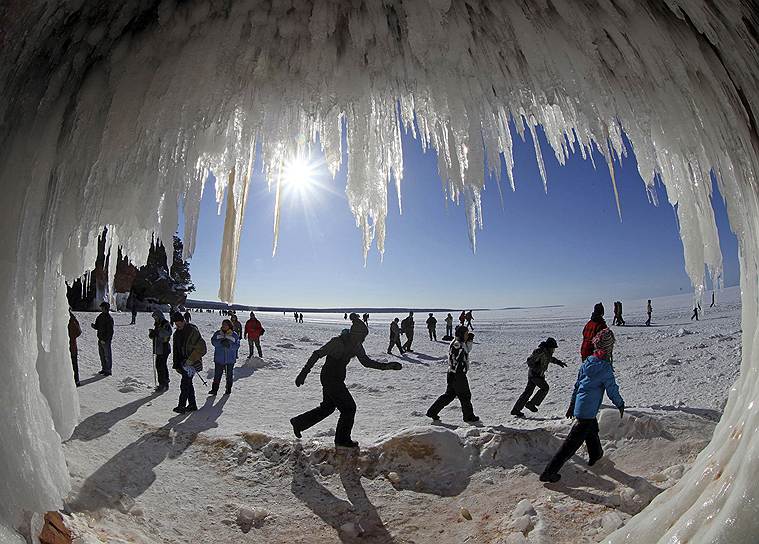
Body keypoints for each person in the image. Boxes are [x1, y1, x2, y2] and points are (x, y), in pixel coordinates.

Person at [290, 315, 402, 448]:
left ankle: (298, 423)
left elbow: (366, 362)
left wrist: (387, 366)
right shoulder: (337, 342)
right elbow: (317, 354)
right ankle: (342, 440)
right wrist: (304, 372)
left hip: (337, 378)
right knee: (349, 408)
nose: (363, 340)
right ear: (355, 334)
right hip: (329, 377)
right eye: (362, 337)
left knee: (328, 407)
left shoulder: (357, 345)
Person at [540, 328, 624, 482]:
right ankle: (549, 472)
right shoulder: (605, 368)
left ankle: (596, 454)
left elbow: (577, 385)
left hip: (582, 407)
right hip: (587, 411)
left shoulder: (588, 362)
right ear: (608, 348)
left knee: (592, 430)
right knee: (570, 446)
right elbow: (612, 390)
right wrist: (620, 404)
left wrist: (572, 403)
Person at [426, 325, 479, 423]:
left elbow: (466, 350)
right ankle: (469, 416)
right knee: (465, 395)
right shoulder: (457, 344)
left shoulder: (459, 342)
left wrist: (469, 340)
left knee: (449, 395)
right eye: (466, 334)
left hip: (453, 373)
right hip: (457, 374)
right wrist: (459, 373)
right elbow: (457, 358)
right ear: (461, 334)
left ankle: (432, 411)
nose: (467, 335)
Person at [510, 337, 567, 418]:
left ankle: (516, 410)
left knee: (528, 392)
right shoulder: (540, 351)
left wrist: (559, 362)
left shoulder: (546, 353)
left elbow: (550, 359)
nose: (553, 350)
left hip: (536, 375)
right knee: (545, 388)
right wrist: (535, 366)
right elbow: (530, 360)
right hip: (535, 375)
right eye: (553, 348)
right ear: (549, 347)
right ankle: (531, 404)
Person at [171, 312, 206, 413]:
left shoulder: (192, 331)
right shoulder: (176, 334)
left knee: (184, 384)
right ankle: (192, 405)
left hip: (193, 363)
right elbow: (176, 350)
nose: (177, 326)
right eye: (176, 324)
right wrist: (176, 364)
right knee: (188, 384)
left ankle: (181, 406)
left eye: (179, 324)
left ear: (183, 321)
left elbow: (202, 348)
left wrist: (191, 359)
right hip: (183, 363)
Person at [209, 319, 240, 395]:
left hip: (230, 360)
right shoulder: (218, 333)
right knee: (217, 375)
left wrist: (229, 345)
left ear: (229, 326)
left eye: (225, 325)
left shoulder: (234, 335)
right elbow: (213, 342)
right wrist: (220, 342)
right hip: (219, 359)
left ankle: (228, 389)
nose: (224, 326)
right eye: (223, 324)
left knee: (229, 375)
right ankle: (214, 390)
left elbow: (237, 346)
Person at [148, 310, 172, 392]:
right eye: (154, 317)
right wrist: (152, 334)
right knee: (161, 365)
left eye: (156, 317)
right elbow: (156, 335)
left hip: (164, 347)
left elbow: (168, 333)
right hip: (159, 348)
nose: (155, 319)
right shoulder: (158, 324)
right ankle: (164, 382)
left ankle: (163, 383)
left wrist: (157, 333)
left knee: (160, 366)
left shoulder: (165, 323)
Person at [91, 301, 114, 376]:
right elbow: (97, 326)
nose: (101, 309)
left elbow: (110, 331)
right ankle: (104, 369)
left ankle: (108, 370)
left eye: (102, 307)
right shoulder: (100, 316)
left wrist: (105, 340)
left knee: (107, 356)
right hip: (100, 339)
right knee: (102, 355)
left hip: (106, 340)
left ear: (106, 308)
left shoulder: (109, 318)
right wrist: (94, 326)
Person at [68, 310, 82, 386]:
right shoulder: (73, 319)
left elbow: (78, 332)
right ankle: (76, 381)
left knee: (73, 364)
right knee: (74, 364)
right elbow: (78, 332)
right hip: (72, 346)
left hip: (71, 346)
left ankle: (75, 381)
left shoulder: (71, 320)